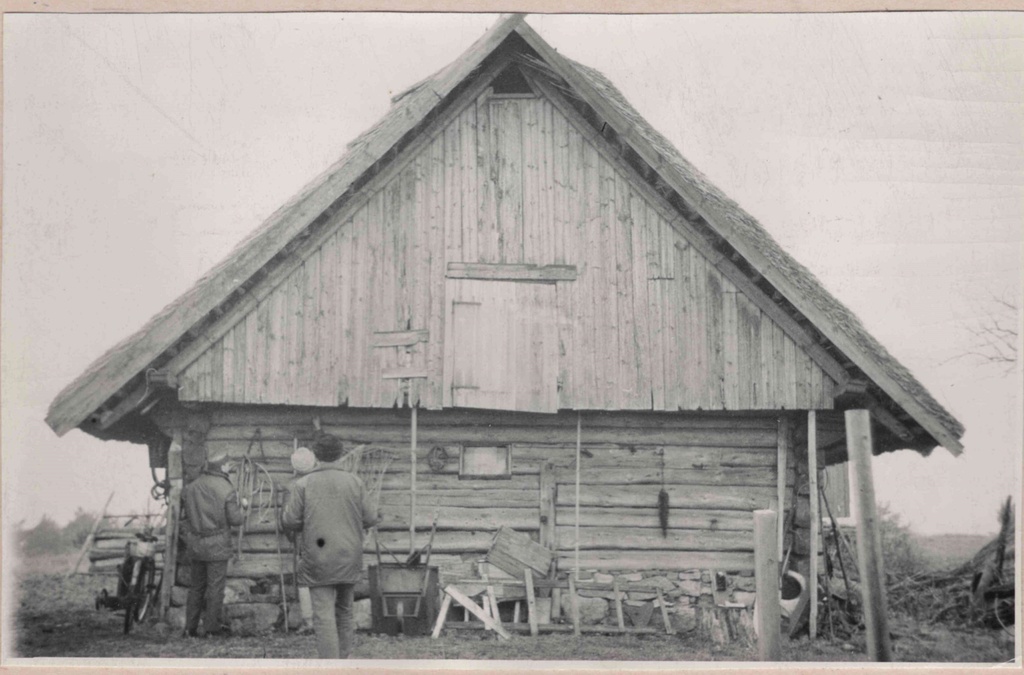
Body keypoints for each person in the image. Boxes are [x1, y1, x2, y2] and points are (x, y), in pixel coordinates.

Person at [280, 434, 378, 659]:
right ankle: (343, 661)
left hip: (318, 557)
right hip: (349, 556)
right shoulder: (355, 482)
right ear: (340, 454)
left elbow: (290, 521)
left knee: (323, 615)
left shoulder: (303, 484)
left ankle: (330, 667)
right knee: (345, 611)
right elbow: (371, 517)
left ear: (316, 455)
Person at [180, 446, 247, 638]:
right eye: (228, 464)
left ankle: (189, 629)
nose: (229, 467)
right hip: (217, 545)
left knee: (196, 587)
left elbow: (186, 517)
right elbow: (236, 520)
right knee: (215, 588)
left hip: (196, 544)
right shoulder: (226, 488)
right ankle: (212, 629)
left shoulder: (191, 487)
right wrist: (243, 507)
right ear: (222, 466)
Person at [288, 446, 318, 634]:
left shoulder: (293, 486)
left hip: (304, 538)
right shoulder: (323, 481)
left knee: (305, 579)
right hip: (326, 537)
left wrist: (292, 536)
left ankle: (308, 621)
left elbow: (289, 519)